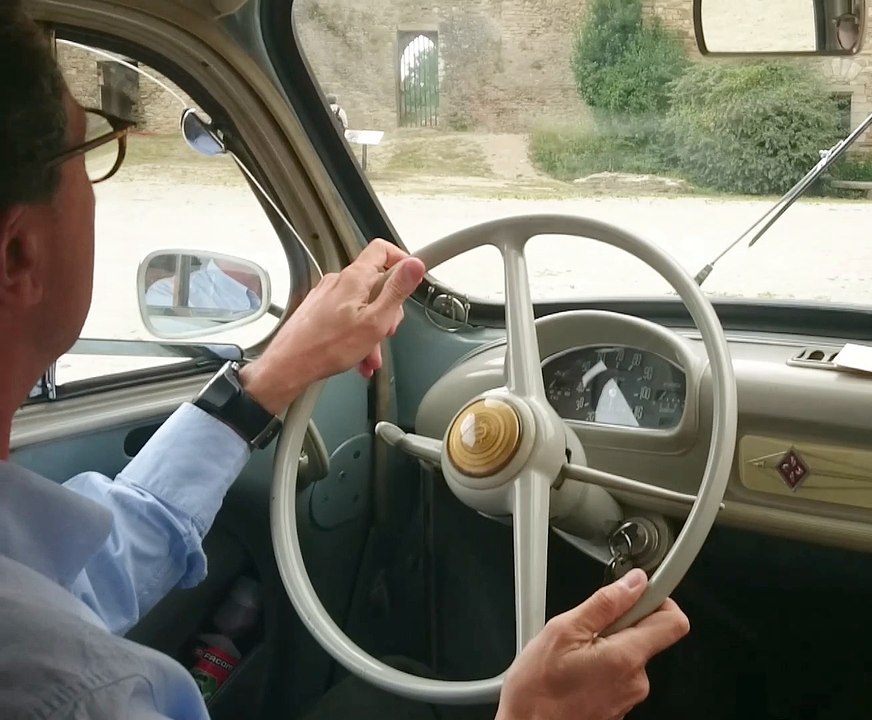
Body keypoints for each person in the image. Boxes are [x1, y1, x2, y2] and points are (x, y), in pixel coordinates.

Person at [0, 4, 689, 720]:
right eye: (91, 154)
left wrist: (266, 381)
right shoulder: (78, 699)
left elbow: (96, 568)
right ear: (20, 253)